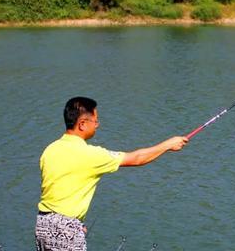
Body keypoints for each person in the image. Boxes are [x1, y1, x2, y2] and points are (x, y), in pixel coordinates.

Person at [35, 96, 188, 250]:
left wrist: (74, 225)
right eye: (95, 121)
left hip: (43, 224)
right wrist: (168, 145)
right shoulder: (90, 155)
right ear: (82, 124)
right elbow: (136, 158)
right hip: (65, 228)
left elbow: (58, 189)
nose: (97, 125)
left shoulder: (50, 150)